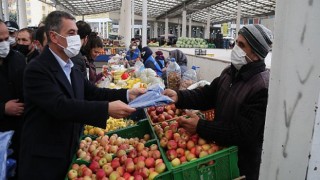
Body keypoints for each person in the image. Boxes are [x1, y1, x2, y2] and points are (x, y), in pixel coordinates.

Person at [19, 11, 145, 179]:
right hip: (44, 160)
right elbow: (60, 106)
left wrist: (128, 94)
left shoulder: (71, 67)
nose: (76, 38)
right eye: (71, 33)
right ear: (54, 37)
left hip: (68, 152)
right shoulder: (37, 69)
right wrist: (106, 109)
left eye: (76, 33)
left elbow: (93, 92)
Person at [164, 24, 273, 180]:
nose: (236, 48)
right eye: (236, 43)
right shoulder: (230, 72)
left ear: (255, 54)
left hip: (243, 164)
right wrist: (179, 97)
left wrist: (201, 126)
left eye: (242, 45)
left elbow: (244, 132)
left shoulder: (262, 87)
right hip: (221, 151)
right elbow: (207, 95)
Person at [0, 19, 26, 178]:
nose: (4, 43)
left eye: (6, 38)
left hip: (19, 132)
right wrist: (3, 108)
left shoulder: (17, 59)